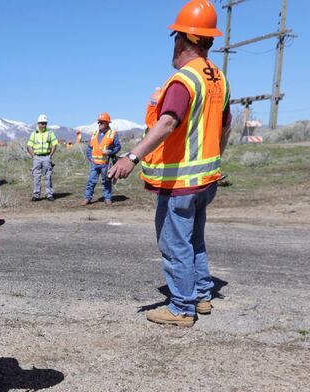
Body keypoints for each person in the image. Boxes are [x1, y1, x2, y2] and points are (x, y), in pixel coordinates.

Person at [109, 0, 231, 328]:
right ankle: (202, 294)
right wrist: (214, 161)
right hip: (206, 179)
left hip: (181, 183)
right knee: (194, 240)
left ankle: (181, 307)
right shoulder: (218, 79)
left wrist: (131, 157)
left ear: (182, 39)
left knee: (174, 241)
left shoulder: (183, 81)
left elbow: (166, 124)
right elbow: (225, 127)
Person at [82, 112, 121, 206]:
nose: (99, 124)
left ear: (107, 123)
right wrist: (90, 157)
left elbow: (118, 147)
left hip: (106, 163)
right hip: (94, 163)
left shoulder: (113, 134)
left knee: (106, 181)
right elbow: (89, 147)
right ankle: (87, 198)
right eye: (98, 122)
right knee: (91, 181)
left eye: (101, 122)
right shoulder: (95, 133)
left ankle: (107, 198)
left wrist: (110, 152)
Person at [26, 114, 58, 202]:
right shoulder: (34, 134)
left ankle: (49, 194)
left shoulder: (50, 133)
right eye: (42, 123)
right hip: (37, 157)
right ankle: (36, 195)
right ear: (38, 123)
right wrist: (34, 156)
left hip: (46, 157)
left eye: (45, 123)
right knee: (36, 176)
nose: (44, 125)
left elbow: (55, 144)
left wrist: (50, 155)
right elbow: (29, 146)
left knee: (48, 176)